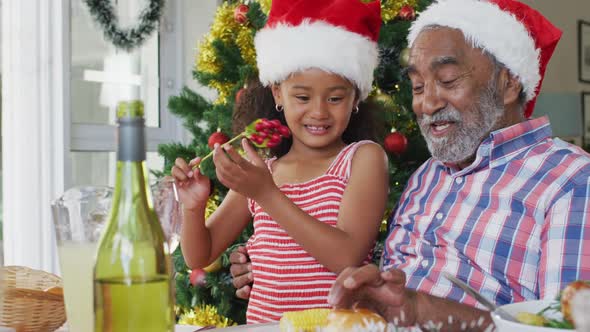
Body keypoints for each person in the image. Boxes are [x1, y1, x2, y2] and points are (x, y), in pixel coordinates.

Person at [231, 0, 590, 329]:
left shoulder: (569, 181)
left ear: (508, 83)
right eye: (418, 87)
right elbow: (374, 275)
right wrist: (276, 263)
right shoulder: (427, 177)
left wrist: (424, 311)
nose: (427, 103)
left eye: (447, 80)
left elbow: (571, 327)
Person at [171, 0, 389, 324]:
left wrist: (267, 195)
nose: (318, 112)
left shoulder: (363, 159)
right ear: (277, 94)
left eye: (335, 98)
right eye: (302, 97)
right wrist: (192, 206)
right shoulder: (265, 170)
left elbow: (347, 257)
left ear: (355, 98)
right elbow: (198, 255)